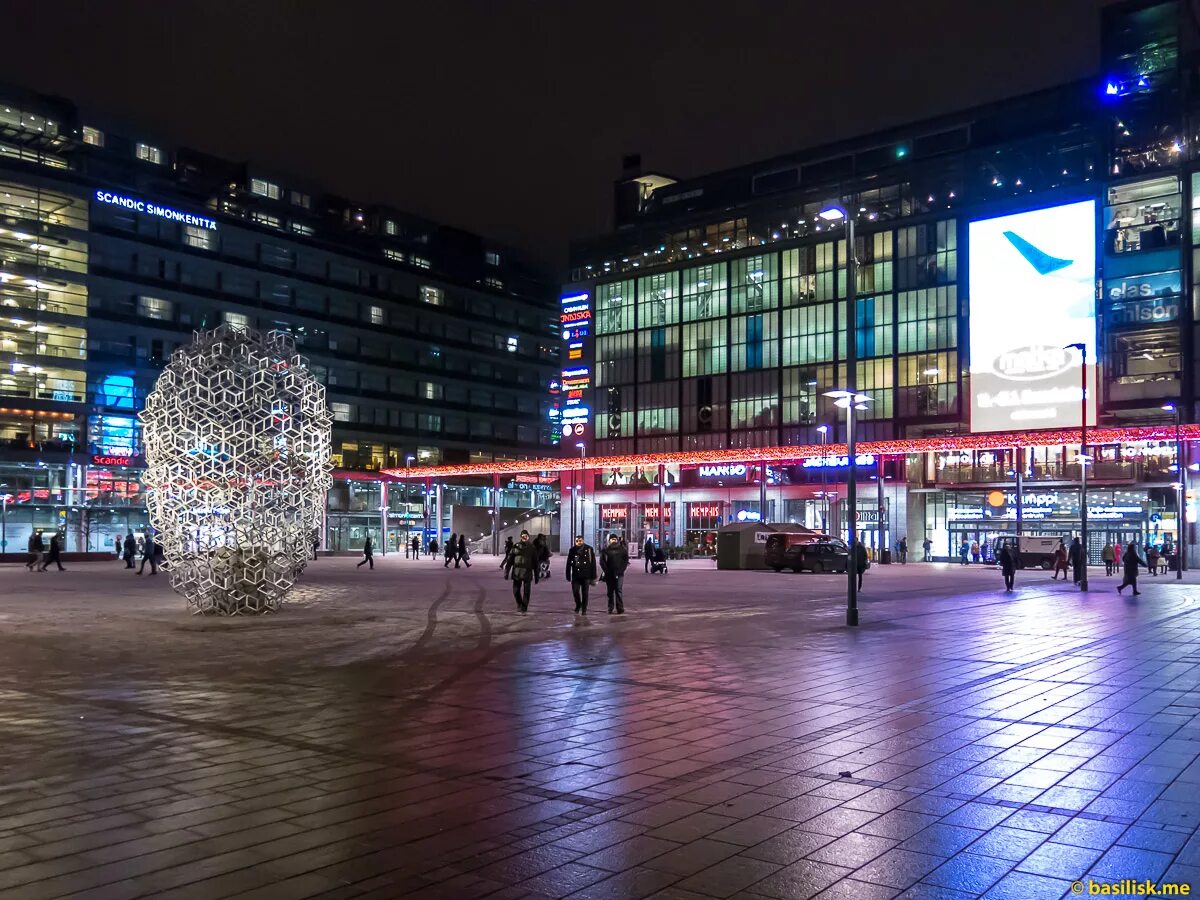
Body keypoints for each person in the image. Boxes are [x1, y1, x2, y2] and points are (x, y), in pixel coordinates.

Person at [565, 534, 597, 614]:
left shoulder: (589, 549)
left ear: (583, 541)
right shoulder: (572, 550)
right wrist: (568, 574)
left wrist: (593, 576)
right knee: (575, 591)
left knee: (585, 593)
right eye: (577, 541)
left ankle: (584, 608)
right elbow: (568, 563)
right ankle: (578, 604)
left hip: (586, 575)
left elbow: (593, 563)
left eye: (580, 541)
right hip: (576, 575)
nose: (578, 542)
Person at [506, 529, 537, 612]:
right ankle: (519, 603)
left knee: (527, 591)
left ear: (528, 537)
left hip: (527, 572)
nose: (525, 537)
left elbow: (535, 562)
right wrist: (507, 571)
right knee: (516, 591)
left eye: (526, 536)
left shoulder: (532, 548)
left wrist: (536, 575)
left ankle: (524, 606)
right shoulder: (515, 546)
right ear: (521, 537)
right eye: (523, 536)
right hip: (517, 572)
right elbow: (510, 560)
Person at [600, 533, 628, 614]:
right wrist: (606, 570)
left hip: (619, 574)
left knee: (618, 591)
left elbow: (625, 560)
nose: (613, 541)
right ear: (609, 541)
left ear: (617, 540)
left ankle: (620, 608)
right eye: (612, 539)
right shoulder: (605, 550)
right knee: (610, 592)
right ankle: (610, 607)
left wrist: (622, 569)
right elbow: (602, 561)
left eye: (615, 539)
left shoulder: (622, 549)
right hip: (609, 574)